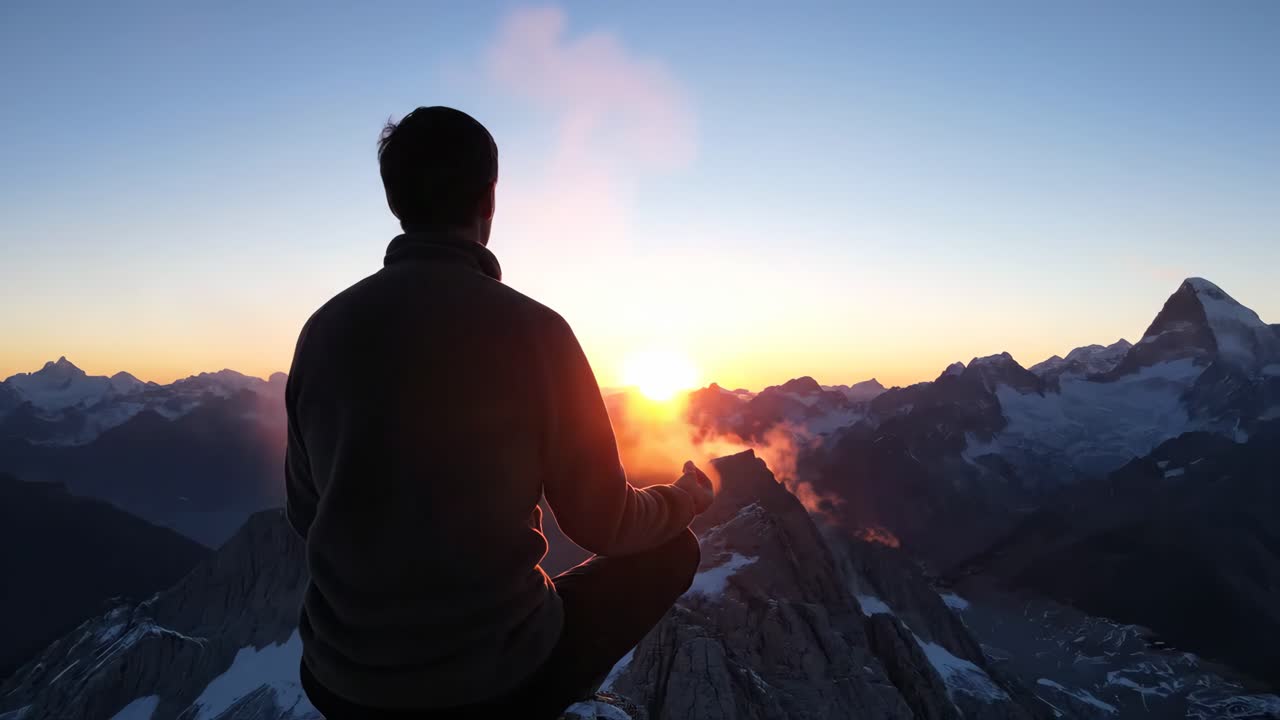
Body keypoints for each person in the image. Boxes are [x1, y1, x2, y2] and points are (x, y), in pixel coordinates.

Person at [284, 106, 716, 719]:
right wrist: (682, 500)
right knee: (676, 552)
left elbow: (306, 513)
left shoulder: (322, 331)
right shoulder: (537, 333)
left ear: (393, 199)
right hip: (490, 684)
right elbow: (605, 525)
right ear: (489, 198)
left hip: (340, 681)